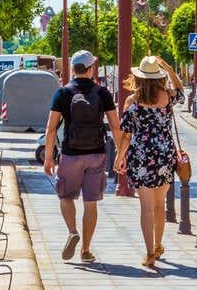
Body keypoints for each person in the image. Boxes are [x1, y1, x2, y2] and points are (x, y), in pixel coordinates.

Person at [43, 50, 120, 263]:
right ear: (90, 68)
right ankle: (86, 250)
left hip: (70, 154)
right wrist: (122, 154)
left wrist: (48, 158)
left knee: (66, 197)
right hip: (96, 154)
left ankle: (72, 231)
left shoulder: (63, 93)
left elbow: (50, 128)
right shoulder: (102, 93)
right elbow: (115, 126)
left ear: (73, 69)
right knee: (90, 203)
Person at [113, 56, 185, 267]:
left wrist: (120, 157)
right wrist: (170, 69)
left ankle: (149, 252)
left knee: (146, 206)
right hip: (164, 155)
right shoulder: (168, 96)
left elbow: (126, 134)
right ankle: (158, 244)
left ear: (139, 78)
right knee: (159, 204)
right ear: (159, 77)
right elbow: (181, 90)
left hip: (142, 156)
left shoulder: (132, 102)